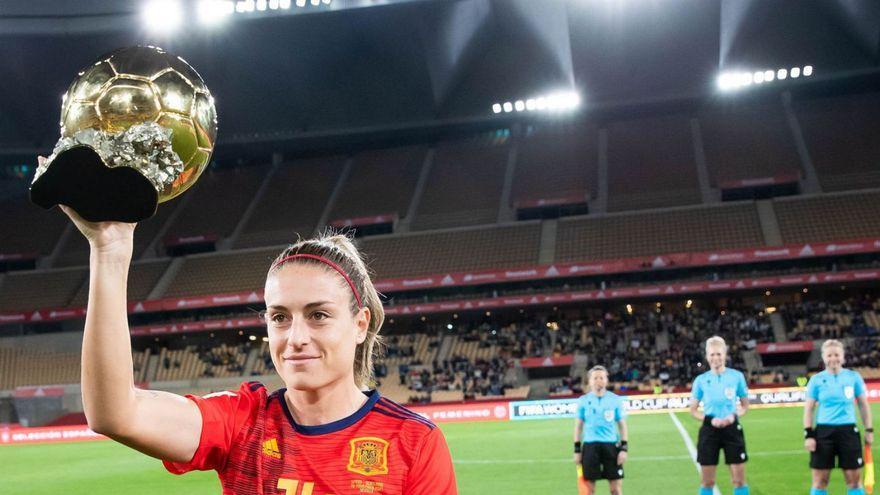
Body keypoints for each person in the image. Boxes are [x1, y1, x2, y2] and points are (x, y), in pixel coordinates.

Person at [59, 197, 457, 494]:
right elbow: (115, 413)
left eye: (318, 315)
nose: (295, 338)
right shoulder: (243, 424)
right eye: (279, 317)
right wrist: (109, 253)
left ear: (359, 323)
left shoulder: (413, 441)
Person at [804, 339, 873, 495]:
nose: (833, 358)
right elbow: (808, 409)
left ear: (843, 357)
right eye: (829, 355)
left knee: (854, 481)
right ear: (823, 357)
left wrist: (869, 429)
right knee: (820, 481)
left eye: (836, 354)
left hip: (848, 431)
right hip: (823, 433)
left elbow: (863, 405)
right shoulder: (816, 380)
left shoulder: (853, 377)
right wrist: (808, 434)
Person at [689, 336, 750, 495]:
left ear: (725, 354)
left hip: (732, 430)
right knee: (707, 481)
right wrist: (710, 419)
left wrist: (733, 416)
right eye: (712, 354)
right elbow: (693, 410)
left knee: (739, 480)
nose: (716, 358)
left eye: (719, 354)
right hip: (710, 431)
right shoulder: (701, 380)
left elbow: (745, 406)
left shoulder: (737, 376)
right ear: (707, 356)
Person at [574, 365, 628, 495]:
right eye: (595, 377)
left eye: (602, 377)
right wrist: (577, 450)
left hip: (611, 447)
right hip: (590, 447)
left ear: (606, 380)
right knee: (588, 490)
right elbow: (578, 427)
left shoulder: (615, 400)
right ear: (590, 381)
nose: (599, 380)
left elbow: (622, 425)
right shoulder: (583, 401)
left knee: (615, 489)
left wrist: (624, 448)